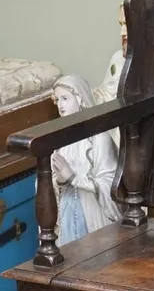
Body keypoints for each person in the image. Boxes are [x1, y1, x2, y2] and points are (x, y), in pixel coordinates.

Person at [51, 75, 123, 245]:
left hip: (92, 212)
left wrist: (74, 179)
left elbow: (111, 183)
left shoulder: (100, 138)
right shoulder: (60, 140)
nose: (60, 105)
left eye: (65, 98)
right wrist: (60, 182)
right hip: (67, 210)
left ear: (80, 99)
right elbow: (48, 179)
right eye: (58, 100)